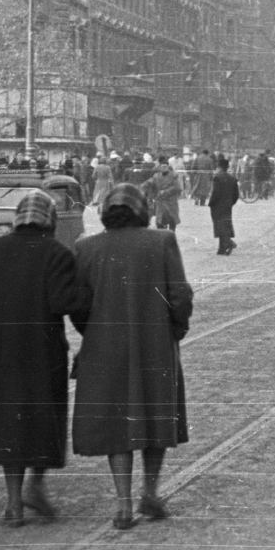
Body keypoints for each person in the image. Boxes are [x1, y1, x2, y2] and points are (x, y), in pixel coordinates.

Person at [71, 184, 194, 530]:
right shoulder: (161, 242)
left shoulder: (85, 247)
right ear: (142, 210)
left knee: (116, 419)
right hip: (155, 341)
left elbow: (78, 306)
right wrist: (176, 328)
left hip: (103, 345)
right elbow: (179, 295)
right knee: (156, 413)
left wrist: (93, 333)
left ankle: (123, 504)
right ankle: (150, 493)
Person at [0, 189, 88, 526]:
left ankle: (13, 503)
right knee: (42, 419)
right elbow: (69, 304)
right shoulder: (58, 254)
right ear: (48, 221)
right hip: (42, 350)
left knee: (8, 423)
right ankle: (36, 484)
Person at [207, 156, 239, 255]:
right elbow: (236, 195)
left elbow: (215, 193)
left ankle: (229, 243)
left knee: (219, 226)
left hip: (217, 205)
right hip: (227, 206)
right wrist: (230, 203)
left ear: (219, 167)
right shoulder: (232, 178)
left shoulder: (217, 177)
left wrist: (211, 203)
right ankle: (222, 248)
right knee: (225, 225)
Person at [147, 159, 182, 232]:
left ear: (168, 167)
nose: (164, 168)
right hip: (160, 200)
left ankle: (172, 233)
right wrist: (151, 196)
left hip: (171, 200)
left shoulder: (174, 175)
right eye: (162, 167)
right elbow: (151, 185)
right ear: (160, 167)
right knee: (160, 220)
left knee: (172, 218)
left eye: (165, 166)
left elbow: (177, 187)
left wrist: (165, 192)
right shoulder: (156, 176)